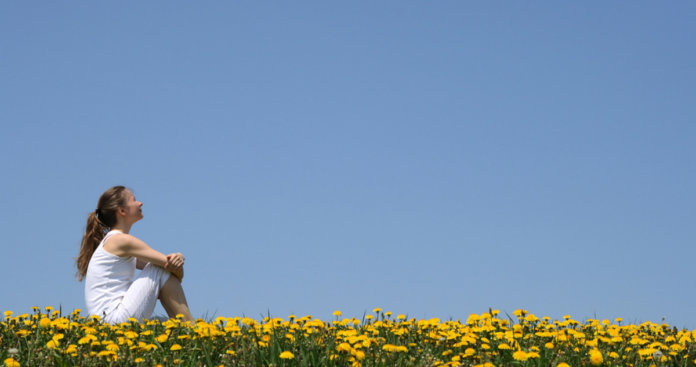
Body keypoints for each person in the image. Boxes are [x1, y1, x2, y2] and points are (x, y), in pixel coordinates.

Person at [76, 186, 193, 323]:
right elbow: (168, 266)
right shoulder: (121, 241)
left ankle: (185, 330)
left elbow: (170, 270)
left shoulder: (114, 243)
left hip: (107, 320)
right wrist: (178, 257)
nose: (140, 203)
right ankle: (192, 328)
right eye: (134, 200)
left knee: (161, 323)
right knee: (158, 269)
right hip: (113, 319)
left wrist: (175, 264)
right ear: (122, 210)